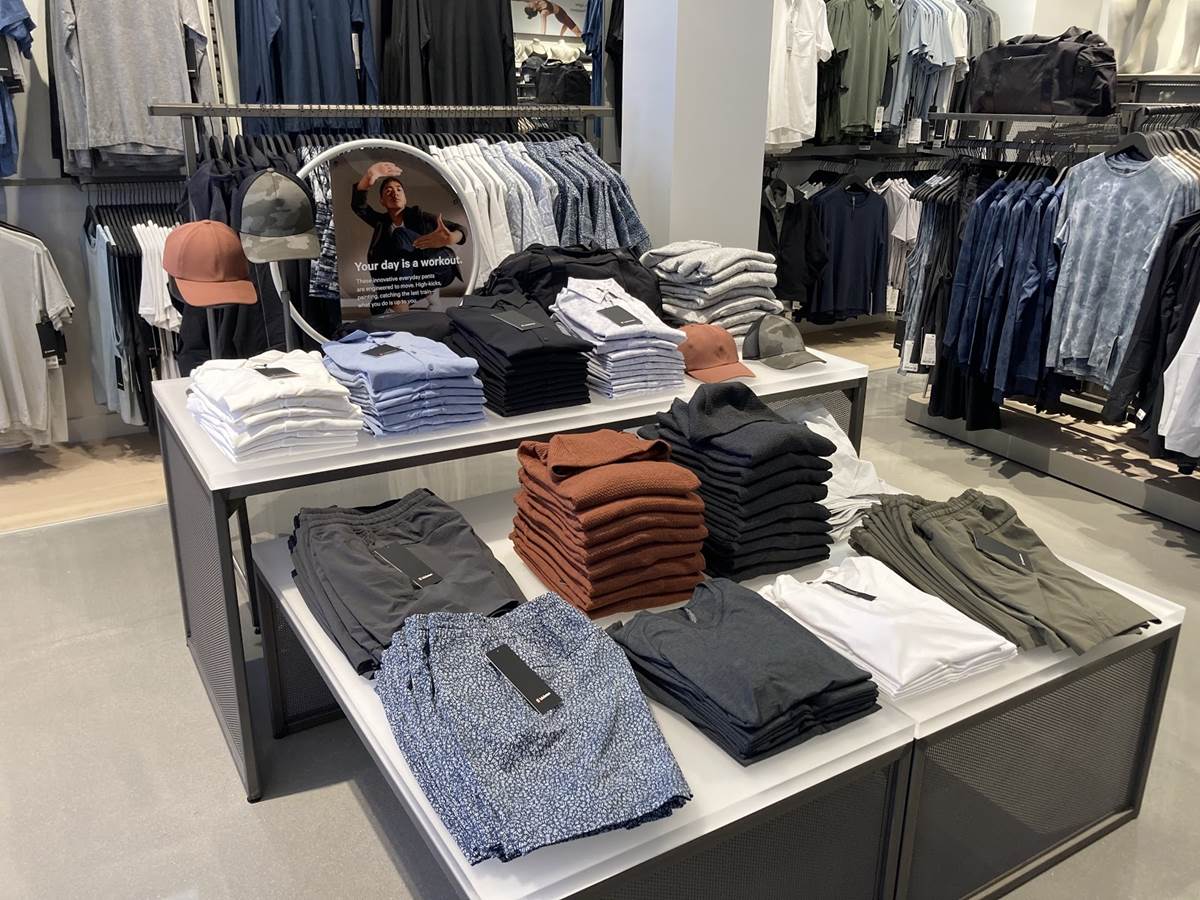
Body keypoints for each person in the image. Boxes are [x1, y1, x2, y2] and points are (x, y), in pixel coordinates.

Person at [351, 161, 466, 308]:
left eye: (399, 190)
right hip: (412, 275)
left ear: (405, 198)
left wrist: (451, 238)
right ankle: (424, 292)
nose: (395, 193)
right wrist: (368, 177)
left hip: (438, 266)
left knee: (400, 234)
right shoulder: (381, 223)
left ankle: (405, 297)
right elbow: (359, 207)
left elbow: (460, 228)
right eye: (388, 191)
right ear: (382, 201)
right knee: (376, 307)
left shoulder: (419, 215)